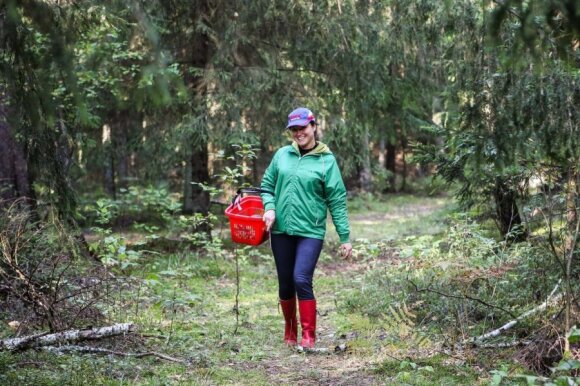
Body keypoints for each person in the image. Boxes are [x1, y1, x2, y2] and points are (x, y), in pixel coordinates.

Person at [260, 107, 353, 348]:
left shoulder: (326, 161)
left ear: (313, 126)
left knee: (301, 278)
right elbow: (267, 184)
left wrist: (345, 236)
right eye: (294, 129)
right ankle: (290, 329)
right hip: (280, 230)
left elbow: (337, 199)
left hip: (310, 231)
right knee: (285, 283)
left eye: (302, 127)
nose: (298, 133)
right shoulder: (282, 155)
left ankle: (308, 335)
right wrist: (269, 207)